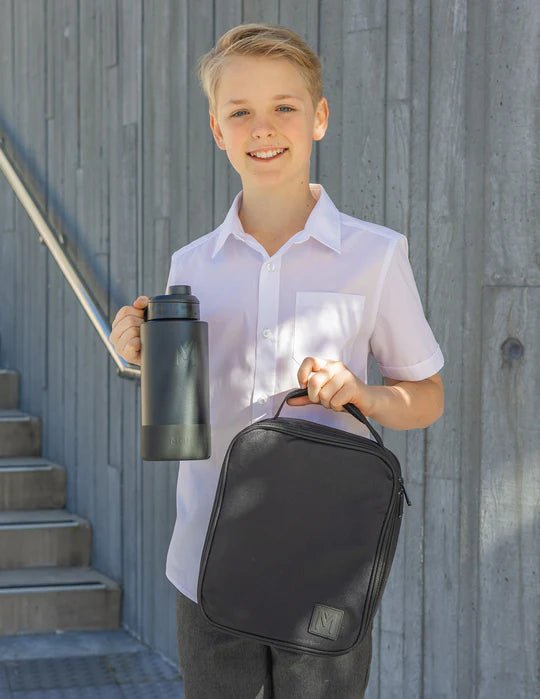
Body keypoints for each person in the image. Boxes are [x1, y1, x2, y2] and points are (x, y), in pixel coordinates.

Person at [109, 22, 445, 699]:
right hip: (204, 559)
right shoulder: (191, 264)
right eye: (241, 112)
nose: (263, 128)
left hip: (323, 562)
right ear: (217, 130)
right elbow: (184, 401)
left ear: (318, 118)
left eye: (283, 108)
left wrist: (364, 394)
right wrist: (137, 348)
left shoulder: (374, 255)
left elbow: (427, 393)